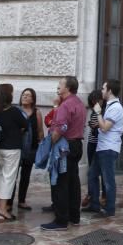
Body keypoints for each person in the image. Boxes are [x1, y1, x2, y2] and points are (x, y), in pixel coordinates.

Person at [42, 75, 86, 231]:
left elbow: (60, 128)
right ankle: (74, 217)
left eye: (60, 84)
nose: (58, 86)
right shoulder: (79, 103)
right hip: (76, 145)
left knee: (61, 182)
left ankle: (61, 220)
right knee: (73, 182)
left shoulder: (65, 105)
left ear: (68, 88)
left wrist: (51, 142)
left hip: (64, 147)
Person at [0, 83, 28, 221]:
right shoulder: (13, 111)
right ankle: (3, 210)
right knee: (9, 178)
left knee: (1, 175)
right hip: (12, 148)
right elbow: (25, 125)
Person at [86, 80, 123, 218]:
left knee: (108, 180)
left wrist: (98, 113)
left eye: (103, 88)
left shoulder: (116, 108)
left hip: (109, 148)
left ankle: (109, 209)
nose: (101, 91)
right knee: (92, 175)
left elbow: (105, 127)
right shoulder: (110, 105)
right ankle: (95, 205)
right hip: (102, 147)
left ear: (110, 91)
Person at [16, 87, 43, 211]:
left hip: (31, 148)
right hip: (16, 148)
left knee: (25, 175)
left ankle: (22, 200)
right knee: (13, 175)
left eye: (28, 95)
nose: (25, 97)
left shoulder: (36, 112)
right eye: (23, 95)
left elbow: (40, 131)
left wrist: (41, 144)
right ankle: (8, 201)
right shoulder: (16, 111)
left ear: (33, 99)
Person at [81, 88, 104, 211]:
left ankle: (101, 197)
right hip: (91, 142)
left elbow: (105, 126)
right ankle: (92, 195)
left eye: (97, 100)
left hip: (100, 144)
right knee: (91, 171)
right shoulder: (94, 111)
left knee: (98, 173)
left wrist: (97, 125)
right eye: (93, 101)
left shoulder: (103, 111)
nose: (95, 103)